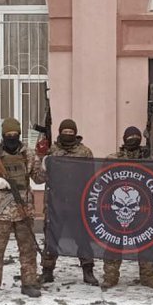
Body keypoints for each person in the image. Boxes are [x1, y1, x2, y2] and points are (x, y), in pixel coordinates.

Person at [0, 118, 46, 299]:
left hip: (24, 210)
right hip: (0, 211)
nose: (12, 138)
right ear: (3, 135)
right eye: (8, 135)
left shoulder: (28, 154)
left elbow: (38, 178)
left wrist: (45, 160)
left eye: (15, 135)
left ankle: (29, 283)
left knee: (28, 249)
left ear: (20, 135)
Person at [37, 118, 99, 286]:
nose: (68, 135)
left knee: (82, 238)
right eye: (64, 132)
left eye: (71, 133)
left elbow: (91, 177)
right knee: (51, 238)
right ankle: (47, 271)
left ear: (76, 133)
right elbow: (40, 178)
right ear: (59, 133)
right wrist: (42, 159)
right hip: (55, 203)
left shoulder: (84, 152)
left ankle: (88, 271)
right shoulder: (52, 151)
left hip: (77, 203)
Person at [100, 126, 153, 290]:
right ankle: (110, 277)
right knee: (114, 243)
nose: (133, 139)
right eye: (130, 136)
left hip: (142, 210)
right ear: (124, 139)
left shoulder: (148, 158)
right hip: (116, 211)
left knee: (146, 244)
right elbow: (103, 179)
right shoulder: (114, 158)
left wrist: (149, 158)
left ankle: (148, 277)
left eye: (136, 136)